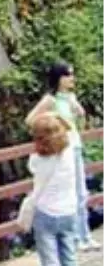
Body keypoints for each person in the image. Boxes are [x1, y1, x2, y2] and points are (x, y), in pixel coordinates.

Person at [26, 61, 100, 251]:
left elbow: (81, 115)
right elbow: (30, 120)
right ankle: (74, 238)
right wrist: (52, 121)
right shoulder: (50, 100)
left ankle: (84, 235)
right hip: (61, 150)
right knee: (71, 193)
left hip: (75, 146)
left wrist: (75, 105)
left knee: (81, 193)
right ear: (58, 78)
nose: (71, 79)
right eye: (67, 75)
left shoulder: (70, 97)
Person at [28, 113, 84, 266]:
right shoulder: (69, 152)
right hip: (69, 211)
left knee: (50, 261)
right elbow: (70, 128)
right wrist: (57, 116)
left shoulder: (37, 160)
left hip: (45, 212)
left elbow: (33, 171)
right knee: (69, 257)